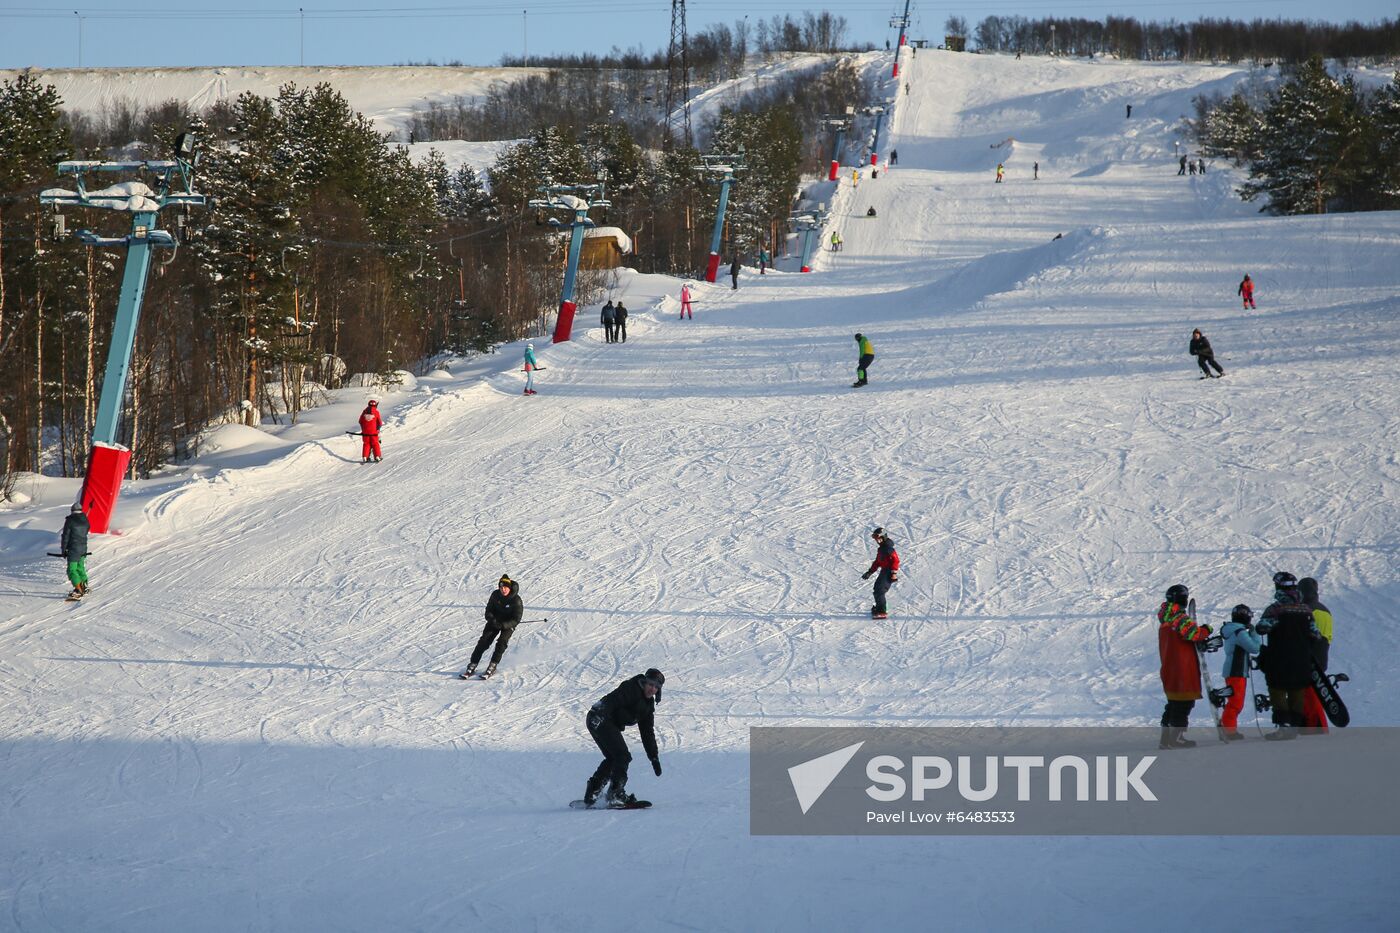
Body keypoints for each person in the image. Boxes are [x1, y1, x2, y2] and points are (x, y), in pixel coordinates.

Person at [1255, 571, 1325, 739]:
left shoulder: (1276, 609)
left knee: (1277, 689)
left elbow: (1262, 628)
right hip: (1301, 659)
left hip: (1279, 658)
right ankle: (1294, 725)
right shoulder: (1306, 610)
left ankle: (1284, 726)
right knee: (1297, 690)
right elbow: (1316, 635)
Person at [582, 669, 665, 808]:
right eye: (651, 684)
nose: (653, 689)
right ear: (644, 682)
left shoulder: (648, 707)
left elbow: (647, 733)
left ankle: (592, 792)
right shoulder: (631, 688)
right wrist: (599, 714)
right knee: (622, 756)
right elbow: (612, 700)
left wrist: (653, 757)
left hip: (601, 720)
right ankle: (615, 794)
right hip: (599, 717)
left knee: (614, 758)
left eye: (657, 687)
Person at [1157, 583, 1212, 748]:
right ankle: (1176, 738)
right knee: (1183, 705)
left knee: (1173, 704)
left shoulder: (1165, 620)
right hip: (1182, 669)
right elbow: (1193, 634)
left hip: (1169, 669)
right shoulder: (1179, 618)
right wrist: (1206, 629)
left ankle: (1166, 738)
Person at [461, 574, 524, 679]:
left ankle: (493, 665)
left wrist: (504, 625)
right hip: (495, 622)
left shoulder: (516, 600)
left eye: (505, 587)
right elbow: (489, 610)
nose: (503, 590)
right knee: (483, 641)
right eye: (501, 587)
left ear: (509, 588)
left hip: (508, 624)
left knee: (501, 642)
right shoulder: (495, 595)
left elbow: (516, 619)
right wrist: (492, 619)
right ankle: (473, 664)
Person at [1219, 604, 1261, 739]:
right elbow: (1254, 648)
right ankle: (1229, 730)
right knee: (1235, 702)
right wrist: (1254, 632)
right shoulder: (1240, 632)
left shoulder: (1233, 630)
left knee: (1234, 701)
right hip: (1236, 671)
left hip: (1234, 670)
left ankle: (1228, 727)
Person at [1299, 577, 1333, 731]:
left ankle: (1316, 724)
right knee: (1311, 690)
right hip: (1322, 651)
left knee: (1309, 692)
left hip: (1310, 653)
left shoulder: (1307, 609)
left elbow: (1306, 634)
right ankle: (1310, 723)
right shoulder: (1325, 610)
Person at [862, 527, 900, 619]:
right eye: (876, 539)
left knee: (879, 590)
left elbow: (896, 560)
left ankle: (882, 611)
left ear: (884, 537)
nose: (877, 541)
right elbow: (878, 562)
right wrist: (870, 572)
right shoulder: (881, 549)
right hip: (884, 571)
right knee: (877, 589)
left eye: (879, 538)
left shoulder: (888, 549)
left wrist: (894, 573)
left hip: (888, 572)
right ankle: (880, 607)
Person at [60, 502, 90, 600]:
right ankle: (84, 586)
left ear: (72, 511)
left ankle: (78, 590)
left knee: (72, 570)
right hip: (83, 548)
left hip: (73, 549)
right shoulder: (85, 519)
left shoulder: (70, 521)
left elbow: (65, 536)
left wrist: (64, 549)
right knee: (80, 567)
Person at [359, 398, 383, 463]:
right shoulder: (376, 412)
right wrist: (377, 429)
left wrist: (363, 429)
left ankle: (365, 457)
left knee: (366, 444)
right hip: (374, 432)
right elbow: (380, 423)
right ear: (375, 406)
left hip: (365, 433)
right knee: (375, 444)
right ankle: (377, 456)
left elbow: (360, 421)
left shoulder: (364, 412)